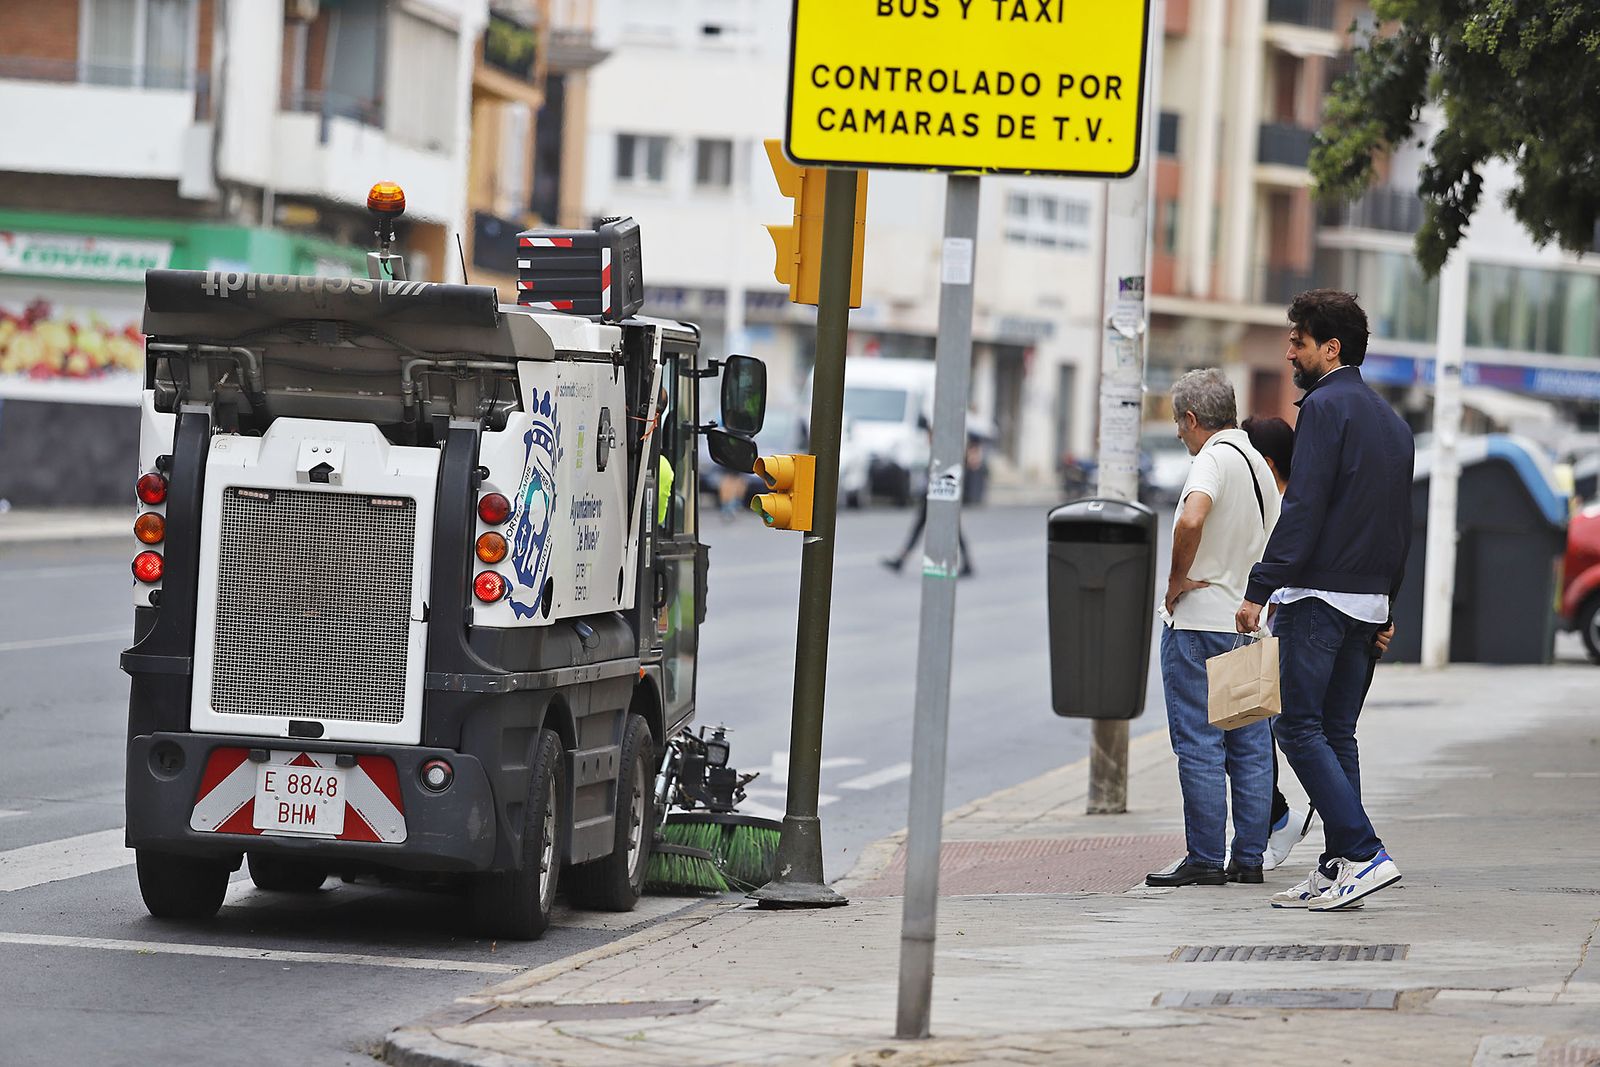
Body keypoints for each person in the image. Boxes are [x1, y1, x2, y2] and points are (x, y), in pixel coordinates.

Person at [1236, 289, 1414, 912]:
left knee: (1297, 725)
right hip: (1366, 604)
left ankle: (1363, 852)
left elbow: (1303, 507)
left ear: (1329, 347)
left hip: (1319, 600)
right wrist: (1388, 607)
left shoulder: (1325, 409)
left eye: (1298, 340)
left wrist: (1259, 588)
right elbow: (1400, 523)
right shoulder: (1392, 421)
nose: (1289, 350)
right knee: (1337, 732)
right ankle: (1341, 866)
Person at [1146, 369, 1281, 888]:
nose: (1179, 435)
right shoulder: (1257, 464)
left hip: (1200, 625)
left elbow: (1190, 519)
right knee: (1249, 745)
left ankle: (1204, 857)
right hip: (1248, 623)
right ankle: (1248, 858)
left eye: (1179, 425)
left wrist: (1176, 582)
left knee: (1201, 744)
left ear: (1192, 418)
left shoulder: (1212, 459)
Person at [1241, 415, 1317, 870]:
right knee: (1256, 730)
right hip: (1273, 629)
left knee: (1262, 732)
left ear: (1267, 464)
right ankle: (1273, 820)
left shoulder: (1287, 509)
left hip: (1284, 629)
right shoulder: (1277, 504)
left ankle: (1280, 819)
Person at [880, 415, 974, 577]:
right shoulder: (940, 449)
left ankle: (902, 560)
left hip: (943, 495)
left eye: (930, 434)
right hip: (934, 494)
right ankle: (901, 560)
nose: (927, 439)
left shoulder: (946, 450)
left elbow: (952, 471)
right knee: (926, 527)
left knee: (951, 529)